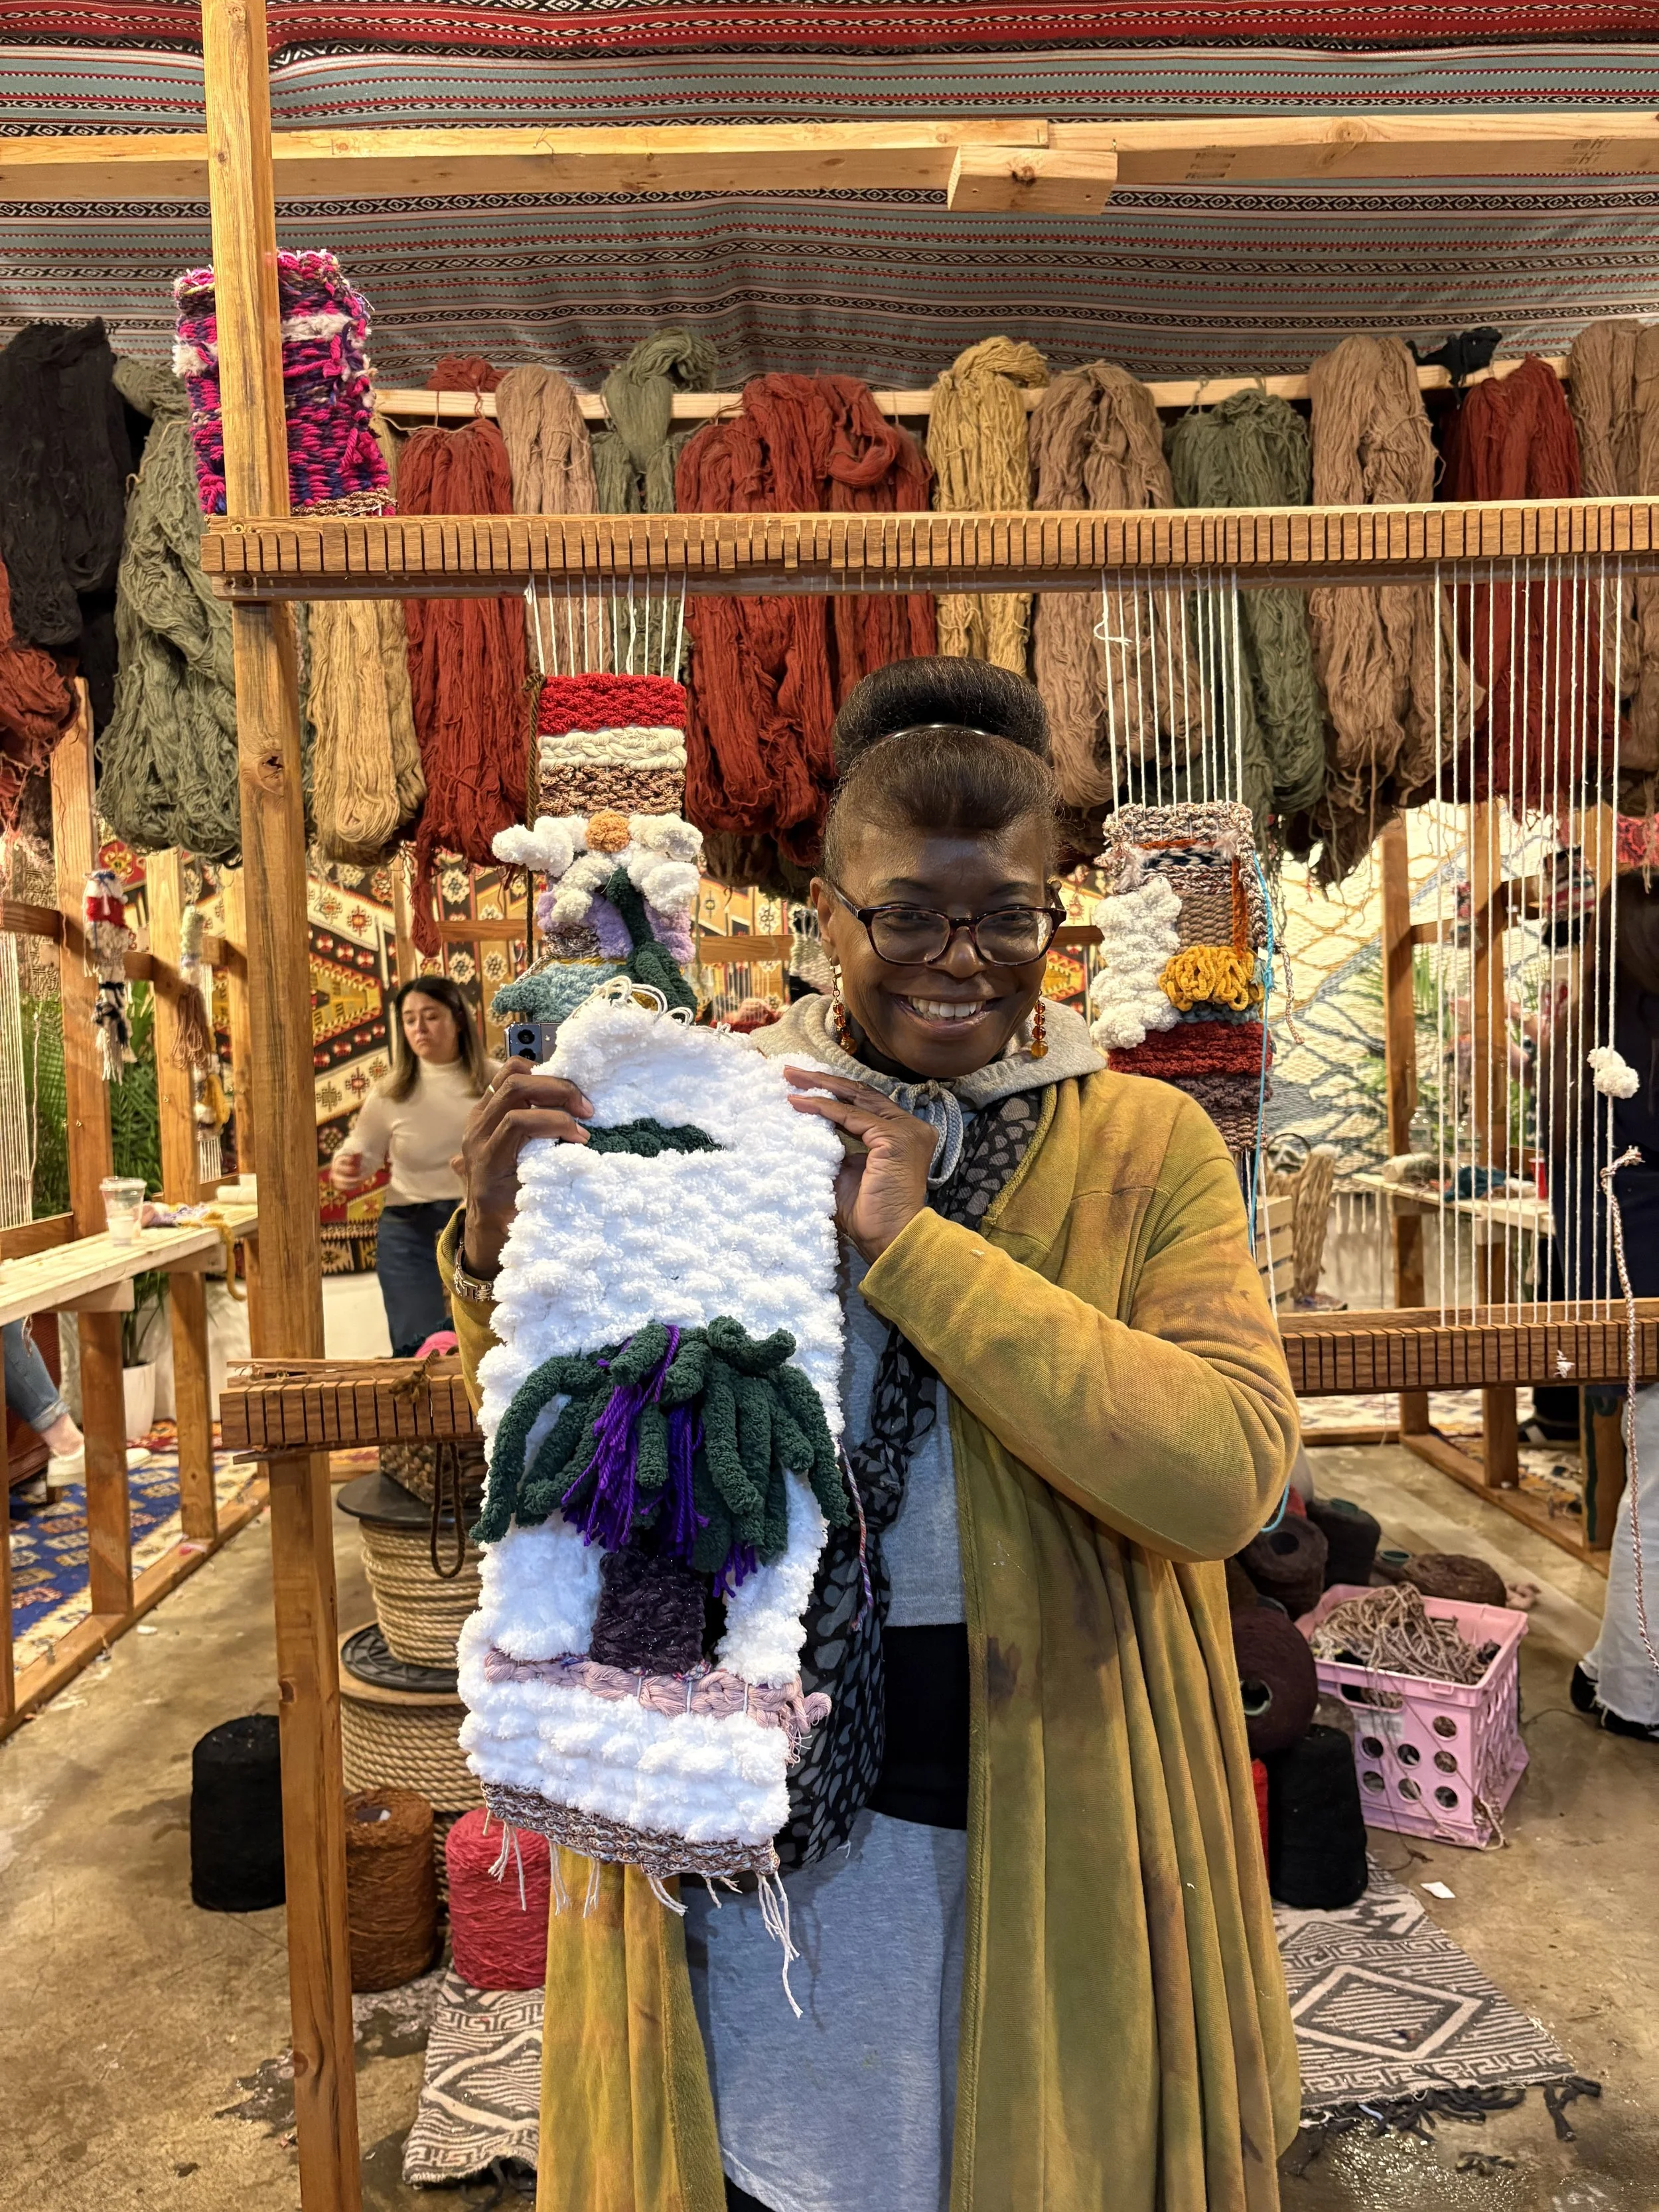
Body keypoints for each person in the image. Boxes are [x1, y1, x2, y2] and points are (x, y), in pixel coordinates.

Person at [441, 658, 1301, 2212]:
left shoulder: (1144, 1142)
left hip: (1063, 1798)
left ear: (1060, 917)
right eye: (907, 914)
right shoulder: (726, 1115)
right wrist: (520, 1257)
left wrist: (920, 1247)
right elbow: (587, 1483)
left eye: (1008, 917)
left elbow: (1224, 1475)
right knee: (788, 2167)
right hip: (763, 1807)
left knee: (1043, 2152)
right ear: (823, 917)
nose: (957, 962)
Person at [1546, 878, 1659, 1742]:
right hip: (1642, 1282)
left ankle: (1614, 1678)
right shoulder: (1626, 1046)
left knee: (1650, 1493)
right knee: (1653, 1497)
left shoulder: (1593, 1031)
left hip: (1628, 1284)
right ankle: (1631, 1691)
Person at [332, 976, 489, 1358]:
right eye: (409, 1019)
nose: (419, 1028)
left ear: (458, 1019)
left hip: (480, 1220)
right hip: (409, 1225)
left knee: (486, 1342)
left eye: (431, 1016)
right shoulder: (390, 1092)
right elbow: (363, 1149)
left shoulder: (496, 1080)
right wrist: (348, 1163)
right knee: (417, 1345)